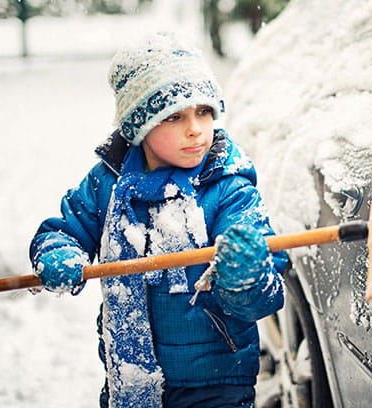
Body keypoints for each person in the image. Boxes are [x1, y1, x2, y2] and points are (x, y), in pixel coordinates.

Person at [29, 31, 287, 408]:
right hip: (131, 379)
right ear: (140, 126)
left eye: (204, 111)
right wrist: (58, 253)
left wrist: (245, 277)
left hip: (217, 382)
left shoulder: (227, 187)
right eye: (174, 116)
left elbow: (261, 296)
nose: (195, 128)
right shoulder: (108, 183)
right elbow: (64, 230)